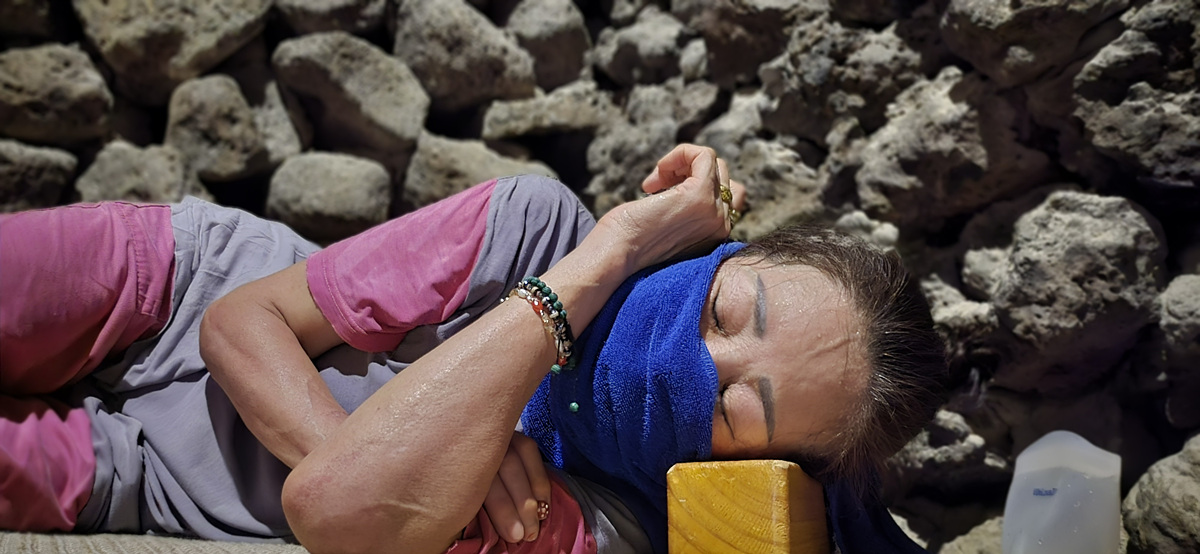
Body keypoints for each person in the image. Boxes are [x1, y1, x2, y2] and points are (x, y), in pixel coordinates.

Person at [0, 145, 946, 553]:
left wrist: (416, 441)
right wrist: (605, 253)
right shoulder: (538, 229)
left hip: (142, 475)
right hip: (168, 283)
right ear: (727, 251)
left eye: (744, 405)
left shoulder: (594, 525)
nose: (700, 364)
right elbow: (239, 322)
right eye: (736, 311)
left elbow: (337, 507)